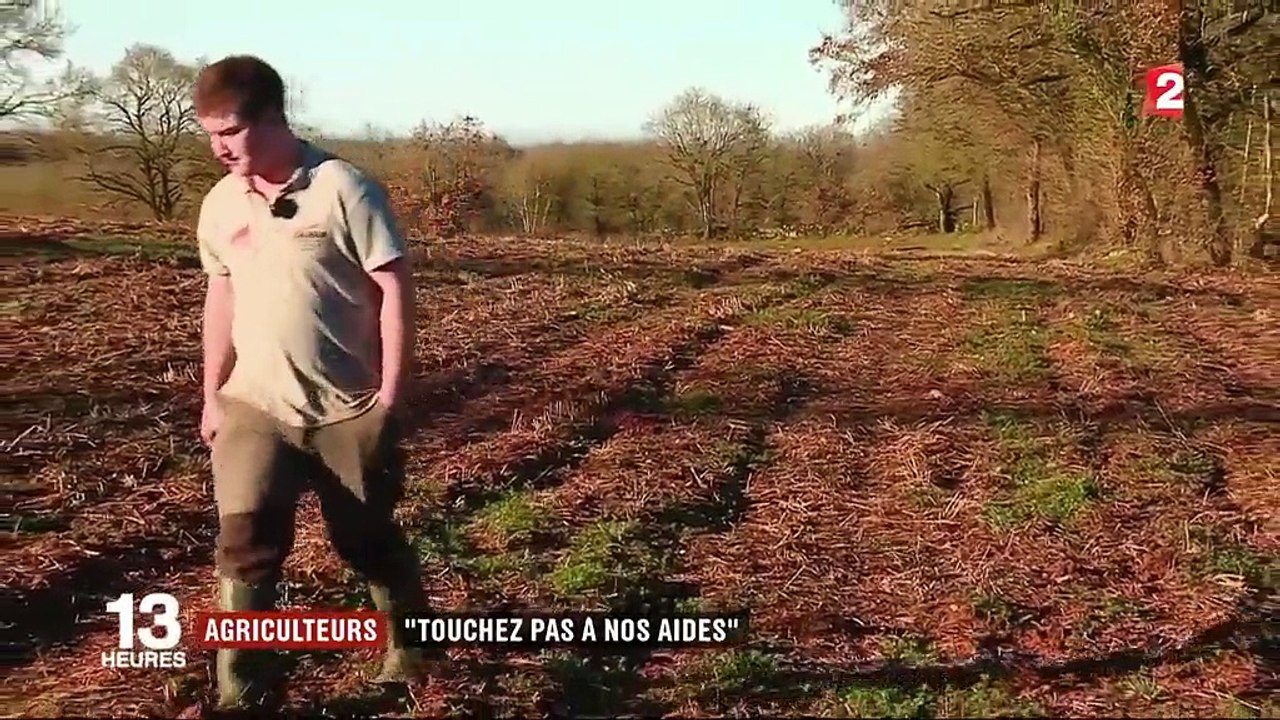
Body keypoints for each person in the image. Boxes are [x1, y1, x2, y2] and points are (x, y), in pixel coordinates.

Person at [192, 54, 426, 709]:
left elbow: (394, 286)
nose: (219, 149)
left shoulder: (342, 187)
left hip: (346, 407)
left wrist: (389, 399)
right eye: (209, 134)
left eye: (230, 132)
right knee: (244, 548)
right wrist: (213, 395)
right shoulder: (220, 205)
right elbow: (222, 299)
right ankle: (242, 692)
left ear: (272, 117)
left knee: (365, 539)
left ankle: (411, 655)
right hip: (254, 407)